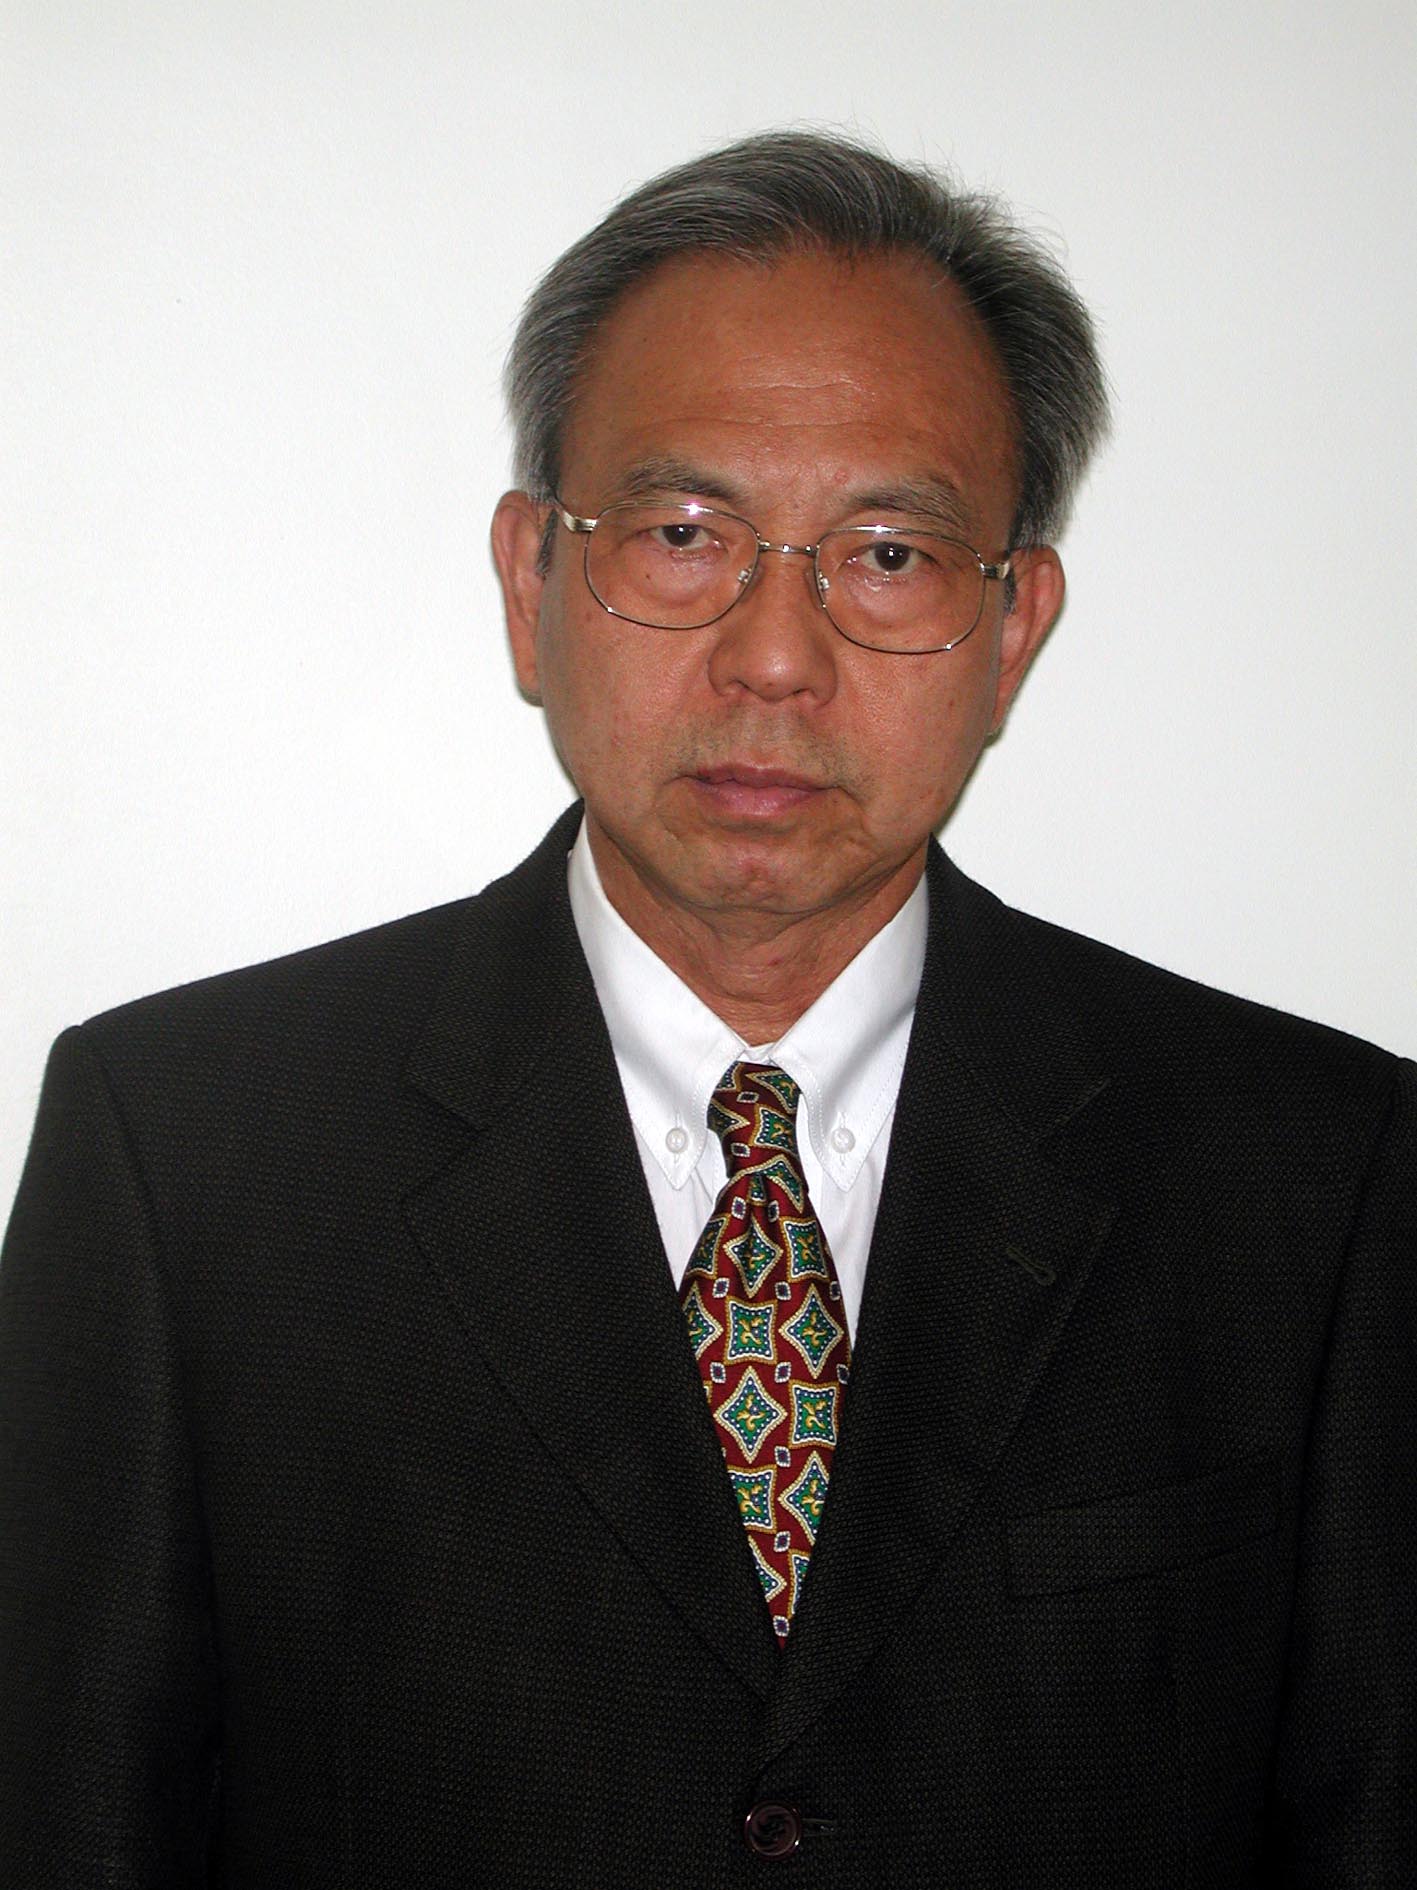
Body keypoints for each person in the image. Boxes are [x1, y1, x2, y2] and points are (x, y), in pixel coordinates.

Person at [0, 130, 1412, 1888]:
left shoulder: (1315, 1178)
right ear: (530, 581)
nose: (774, 657)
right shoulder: (185, 1157)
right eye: (682, 535)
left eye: (886, 553)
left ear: (1011, 629)